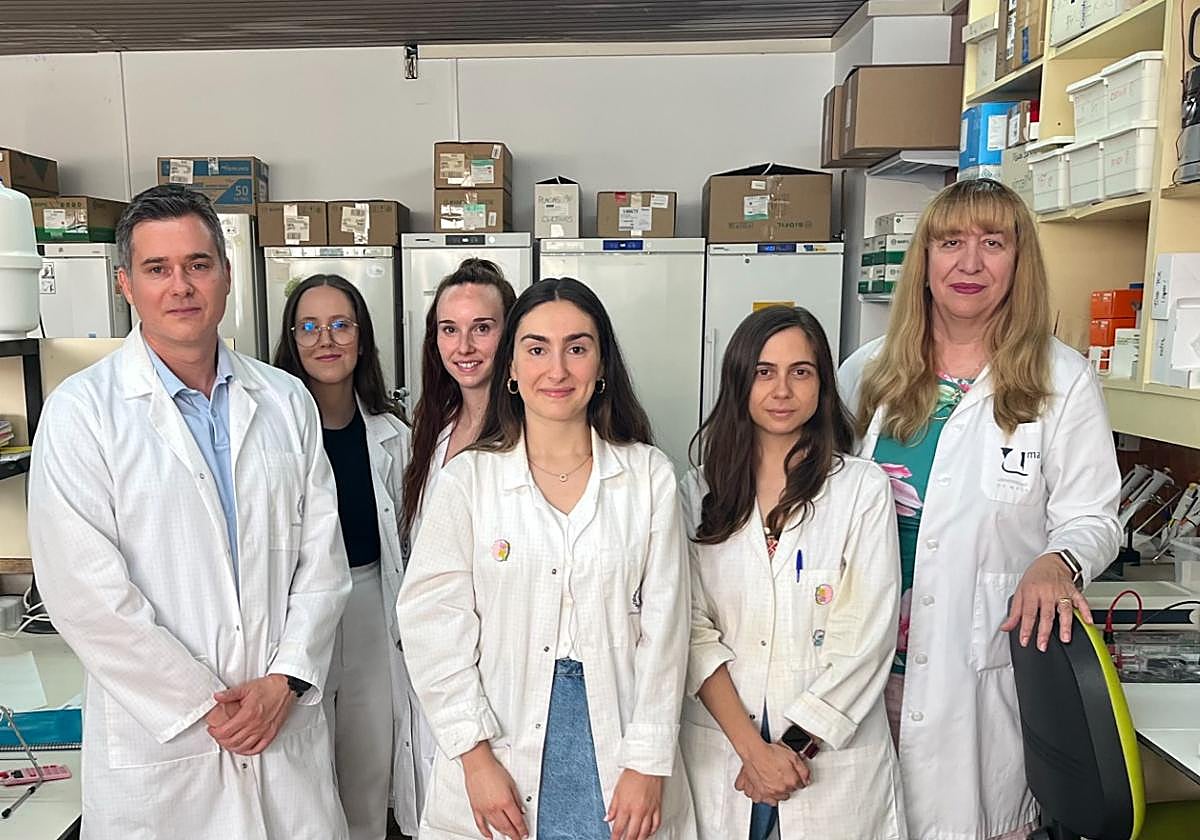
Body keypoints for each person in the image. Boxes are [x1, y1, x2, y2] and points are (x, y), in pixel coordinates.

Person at [27, 184, 352, 839]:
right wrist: (208, 707)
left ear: (226, 275)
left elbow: (323, 562)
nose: (181, 286)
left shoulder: (286, 402)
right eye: (157, 269)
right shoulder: (82, 413)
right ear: (126, 284)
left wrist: (284, 682)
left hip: (282, 733)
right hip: (166, 749)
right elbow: (86, 596)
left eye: (198, 265)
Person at [837, 178, 1121, 840]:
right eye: (951, 242)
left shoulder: (1061, 381)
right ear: (925, 260)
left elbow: (1096, 516)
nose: (970, 264)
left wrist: (1059, 560)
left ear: (1019, 262)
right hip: (860, 671)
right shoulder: (867, 374)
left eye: (993, 243)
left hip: (974, 683)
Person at [397, 278, 698, 840]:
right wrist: (475, 758)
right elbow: (431, 626)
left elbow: (668, 627)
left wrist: (648, 761)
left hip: (620, 743)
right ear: (510, 367)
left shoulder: (648, 476)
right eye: (536, 349)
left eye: (576, 348)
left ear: (601, 363)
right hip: (501, 743)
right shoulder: (469, 480)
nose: (557, 370)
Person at [680, 305, 905, 840]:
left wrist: (792, 748)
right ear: (739, 381)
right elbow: (689, 628)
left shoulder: (860, 490)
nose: (782, 389)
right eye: (764, 371)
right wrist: (754, 751)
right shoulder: (696, 492)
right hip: (727, 750)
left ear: (822, 384)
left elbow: (867, 637)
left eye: (800, 371)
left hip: (824, 755)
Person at [272, 273, 421, 840]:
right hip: (289, 619)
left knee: (366, 771)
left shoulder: (391, 435)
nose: (325, 339)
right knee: (300, 781)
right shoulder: (271, 433)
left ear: (361, 338)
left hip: (368, 609)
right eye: (309, 326)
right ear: (292, 338)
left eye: (340, 324)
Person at [400, 258, 516, 550]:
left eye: (482, 328)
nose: (464, 347)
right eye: (450, 329)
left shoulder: (532, 432)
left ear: (511, 334)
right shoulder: (433, 424)